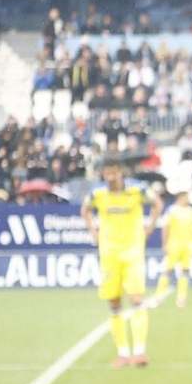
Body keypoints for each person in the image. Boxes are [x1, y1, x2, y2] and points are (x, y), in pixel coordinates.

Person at [81, 147, 160, 367]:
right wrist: (93, 231)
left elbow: (157, 204)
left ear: (121, 172)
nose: (110, 177)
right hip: (109, 254)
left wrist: (150, 227)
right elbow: (85, 210)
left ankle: (140, 352)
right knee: (114, 302)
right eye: (107, 173)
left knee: (136, 299)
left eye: (114, 173)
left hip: (133, 252)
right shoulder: (97, 193)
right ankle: (123, 353)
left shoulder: (137, 189)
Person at [154, 190, 192, 307]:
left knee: (185, 271)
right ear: (181, 197)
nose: (188, 199)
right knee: (167, 269)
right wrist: (164, 244)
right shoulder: (172, 210)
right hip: (173, 245)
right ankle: (159, 295)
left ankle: (181, 297)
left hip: (187, 246)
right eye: (186, 197)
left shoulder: (191, 211)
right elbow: (166, 227)